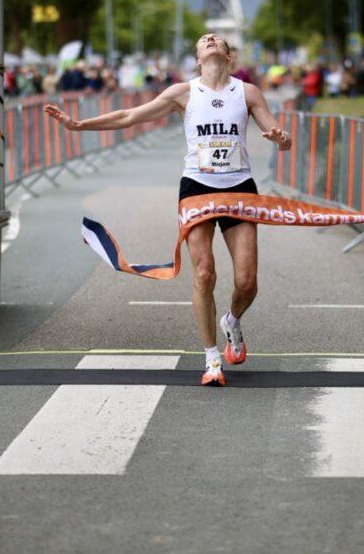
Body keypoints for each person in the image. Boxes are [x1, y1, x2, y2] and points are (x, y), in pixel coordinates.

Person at [44, 33, 292, 386]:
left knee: (247, 282)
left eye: (216, 39)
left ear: (228, 55)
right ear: (197, 58)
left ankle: (232, 321)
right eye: (204, 40)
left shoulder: (247, 93)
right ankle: (211, 359)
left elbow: (280, 136)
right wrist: (80, 125)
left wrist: (282, 139)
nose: (210, 39)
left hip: (238, 188)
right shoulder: (183, 93)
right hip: (197, 188)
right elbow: (129, 115)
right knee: (204, 274)